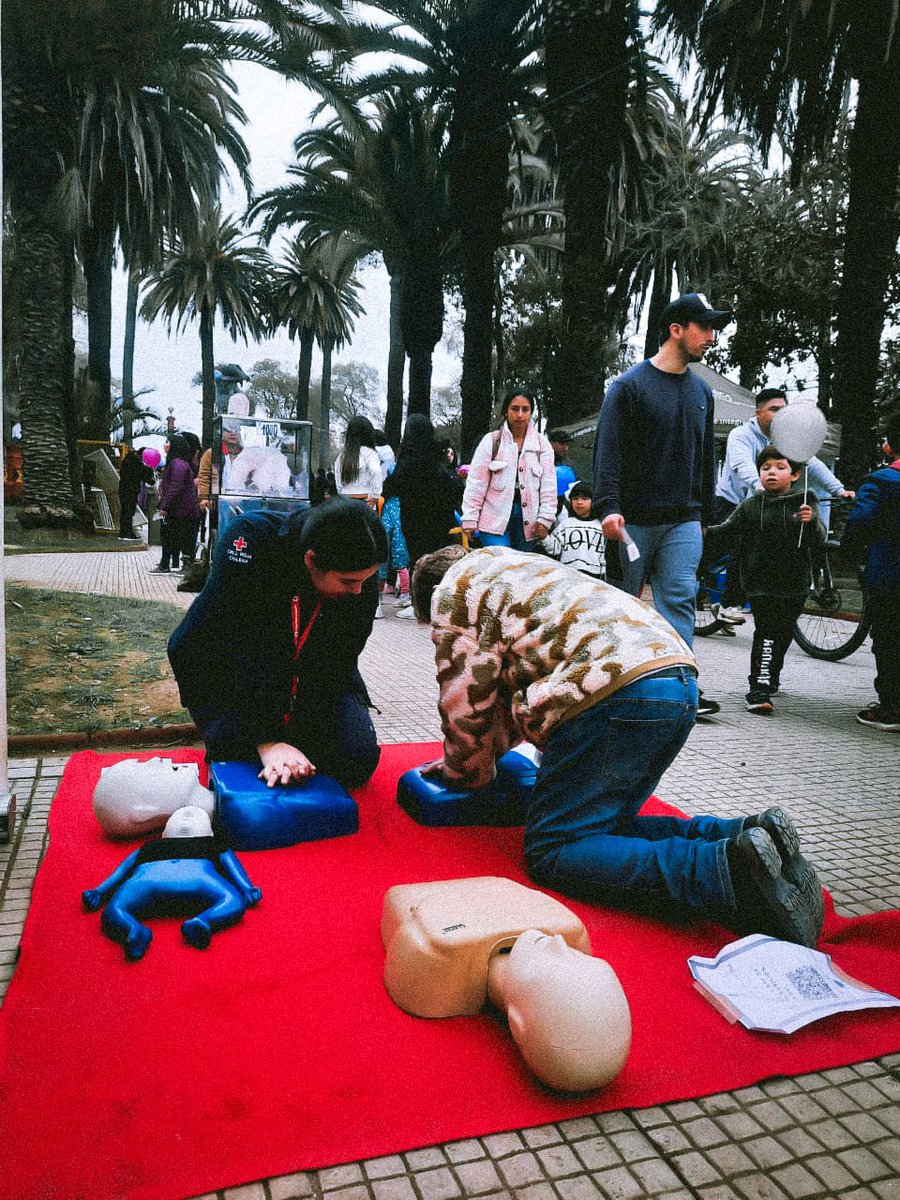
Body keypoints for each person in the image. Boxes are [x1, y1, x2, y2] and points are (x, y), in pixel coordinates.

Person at [410, 544, 825, 948]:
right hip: (675, 677)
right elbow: (518, 677)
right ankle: (743, 835)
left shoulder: (454, 593)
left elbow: (466, 703)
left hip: (610, 689)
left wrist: (463, 772)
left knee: (555, 849)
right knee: (600, 827)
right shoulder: (512, 564)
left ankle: (724, 873)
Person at [168, 498, 387, 789]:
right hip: (224, 666)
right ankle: (244, 739)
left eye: (367, 579)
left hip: (303, 668)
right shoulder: (251, 540)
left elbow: (339, 660)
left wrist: (305, 728)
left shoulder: (359, 578)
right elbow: (244, 645)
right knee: (241, 759)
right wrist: (267, 740)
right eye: (348, 581)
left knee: (355, 759)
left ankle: (283, 742)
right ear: (311, 560)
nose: (359, 591)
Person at [593, 292, 731, 719]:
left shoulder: (703, 392)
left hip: (684, 520)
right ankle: (610, 685)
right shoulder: (628, 388)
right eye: (704, 327)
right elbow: (608, 451)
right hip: (631, 521)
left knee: (679, 600)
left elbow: (706, 459)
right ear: (676, 329)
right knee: (623, 604)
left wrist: (705, 515)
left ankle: (680, 690)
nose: (711, 336)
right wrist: (608, 507)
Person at [712, 387, 854, 623]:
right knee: (746, 543)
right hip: (732, 501)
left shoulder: (787, 437)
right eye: (774, 410)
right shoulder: (741, 435)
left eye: (784, 410)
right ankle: (729, 603)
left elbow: (813, 463)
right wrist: (762, 486)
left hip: (769, 499)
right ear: (759, 414)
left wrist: (839, 490)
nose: (780, 415)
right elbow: (742, 466)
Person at [705, 444, 826, 715]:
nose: (771, 473)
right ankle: (758, 688)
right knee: (767, 632)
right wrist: (701, 532)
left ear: (794, 474)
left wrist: (810, 522)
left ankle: (770, 677)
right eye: (765, 468)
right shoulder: (750, 506)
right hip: (760, 584)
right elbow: (726, 531)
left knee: (782, 634)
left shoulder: (806, 500)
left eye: (780, 467)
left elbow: (818, 539)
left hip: (795, 583)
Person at [841, 417, 900, 731]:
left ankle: (891, 708)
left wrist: (849, 554)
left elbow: (860, 523)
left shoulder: (880, 481)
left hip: (888, 574)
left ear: (888, 445)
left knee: (889, 639)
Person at [461, 390, 556, 551]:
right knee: (500, 565)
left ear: (531, 412)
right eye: (514, 409)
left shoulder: (542, 444)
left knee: (521, 570)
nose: (519, 415)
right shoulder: (491, 441)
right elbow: (476, 484)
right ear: (506, 411)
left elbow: (549, 486)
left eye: (525, 409)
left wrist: (546, 518)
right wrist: (470, 518)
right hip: (493, 521)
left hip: (529, 523)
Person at [384, 413, 464, 569]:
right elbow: (454, 487)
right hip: (441, 518)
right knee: (440, 562)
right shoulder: (436, 455)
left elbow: (391, 487)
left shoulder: (407, 459)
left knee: (419, 562)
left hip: (413, 519)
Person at [151, 433, 200, 573]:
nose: (165, 445)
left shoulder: (177, 464)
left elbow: (175, 486)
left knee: (176, 537)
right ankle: (169, 565)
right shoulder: (178, 463)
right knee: (176, 537)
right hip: (182, 510)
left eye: (168, 442)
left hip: (182, 511)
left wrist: (164, 506)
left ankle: (173, 566)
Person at [539, 480, 606, 579]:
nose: (579, 502)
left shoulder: (601, 526)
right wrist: (544, 536)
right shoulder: (565, 524)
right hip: (568, 574)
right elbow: (555, 549)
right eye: (575, 498)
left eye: (585, 498)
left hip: (594, 575)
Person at [334, 416, 382, 503]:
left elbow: (338, 481)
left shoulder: (342, 456)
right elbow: (376, 471)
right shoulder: (370, 454)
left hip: (345, 500)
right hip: (364, 499)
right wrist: (375, 495)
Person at [117, 446, 154, 540]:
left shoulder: (129, 459)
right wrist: (150, 468)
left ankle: (125, 532)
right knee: (128, 512)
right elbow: (145, 476)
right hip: (130, 490)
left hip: (124, 489)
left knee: (126, 511)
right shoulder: (136, 463)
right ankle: (126, 533)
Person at [546, 429, 578, 511]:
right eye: (562, 444)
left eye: (567, 444)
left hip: (560, 506)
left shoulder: (566, 461)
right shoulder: (543, 460)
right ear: (552, 443)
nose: (565, 448)